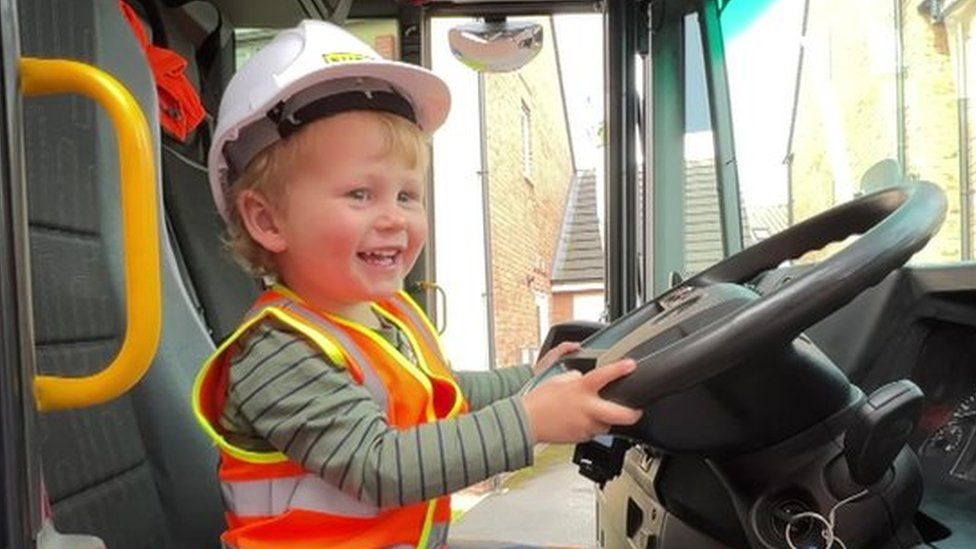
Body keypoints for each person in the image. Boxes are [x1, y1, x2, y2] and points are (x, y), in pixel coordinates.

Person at [192, 19, 643, 549]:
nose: (394, 218)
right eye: (361, 194)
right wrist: (529, 421)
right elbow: (378, 465)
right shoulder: (276, 353)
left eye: (407, 196)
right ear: (268, 221)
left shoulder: (387, 316)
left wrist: (533, 377)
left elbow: (445, 391)